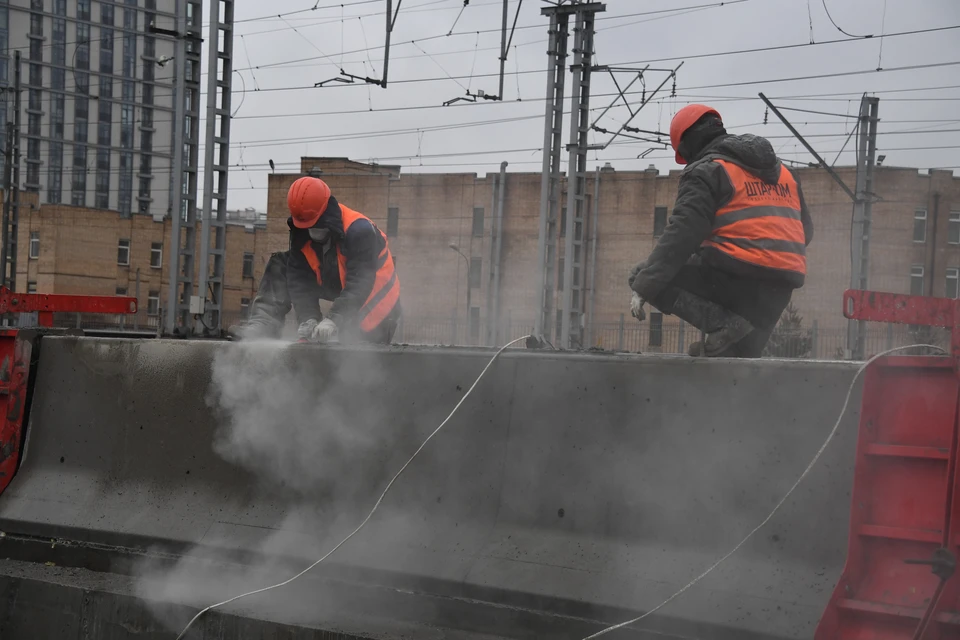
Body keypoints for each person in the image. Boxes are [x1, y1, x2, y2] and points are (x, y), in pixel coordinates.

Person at [628, 104, 813, 357]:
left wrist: (644, 286)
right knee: (733, 355)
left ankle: (723, 323)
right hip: (782, 284)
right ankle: (730, 338)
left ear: (687, 144)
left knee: (641, 274)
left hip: (736, 278)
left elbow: (682, 234)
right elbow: (806, 232)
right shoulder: (786, 175)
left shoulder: (707, 170)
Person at [229, 176, 401, 344]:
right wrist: (308, 318)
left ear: (325, 212)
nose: (309, 231)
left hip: (376, 298)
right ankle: (263, 324)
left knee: (353, 357)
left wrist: (334, 319)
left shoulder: (359, 230)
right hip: (338, 281)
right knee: (281, 263)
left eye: (314, 225)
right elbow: (299, 277)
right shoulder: (301, 229)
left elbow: (360, 283)